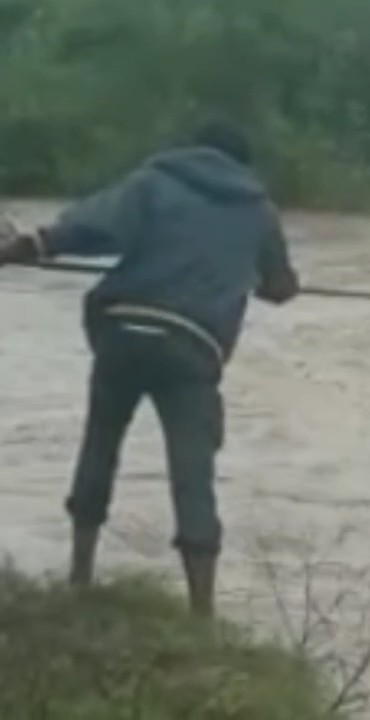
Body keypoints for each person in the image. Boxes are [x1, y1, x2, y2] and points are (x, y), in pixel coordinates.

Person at [0, 118, 300, 616]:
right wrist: (267, 283)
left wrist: (27, 246)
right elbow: (281, 287)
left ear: (192, 151)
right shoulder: (259, 211)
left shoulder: (153, 182)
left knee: (101, 443)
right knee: (192, 473)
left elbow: (88, 229)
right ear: (242, 166)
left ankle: (80, 578)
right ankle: (201, 613)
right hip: (192, 348)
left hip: (121, 331)